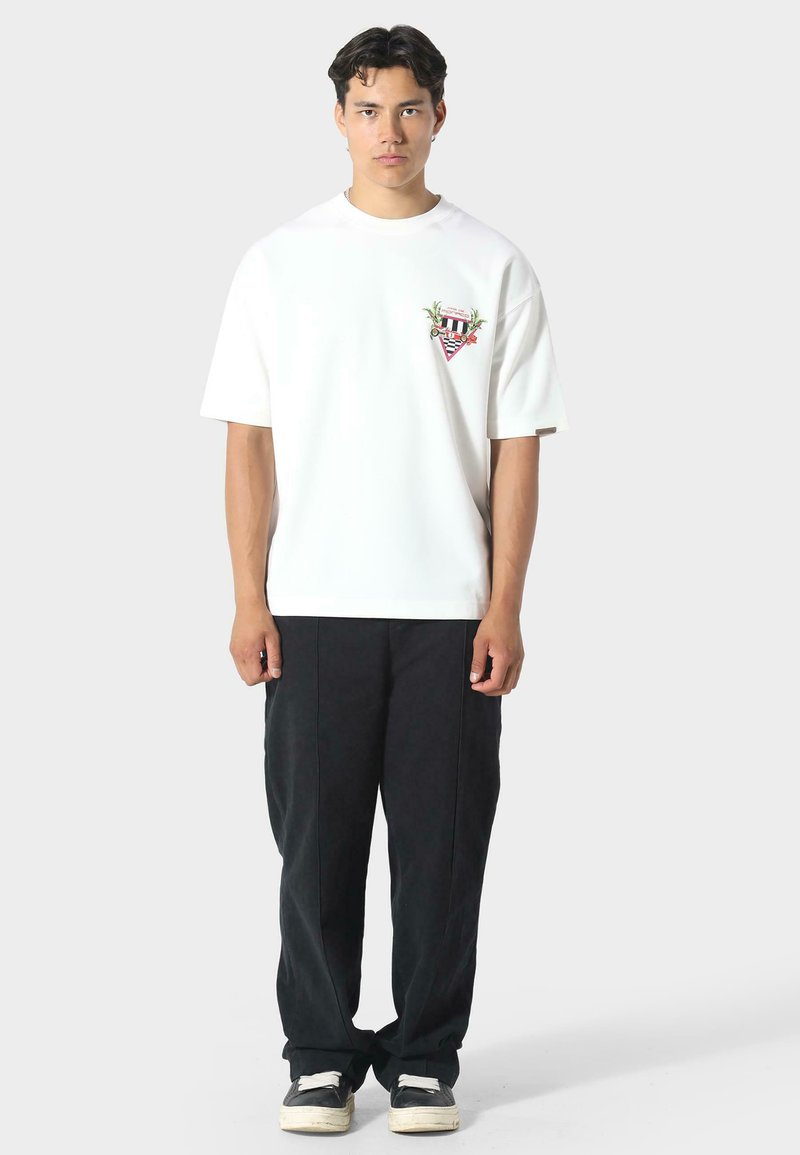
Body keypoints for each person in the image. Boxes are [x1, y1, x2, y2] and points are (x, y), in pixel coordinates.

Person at [199, 23, 569, 1136]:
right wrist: (249, 597)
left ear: (439, 115)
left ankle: (423, 1059)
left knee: (441, 850)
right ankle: (319, 1057)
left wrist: (504, 604)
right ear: (338, 119)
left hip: (447, 611)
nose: (388, 130)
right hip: (314, 605)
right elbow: (249, 443)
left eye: (408, 108)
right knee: (315, 848)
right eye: (367, 109)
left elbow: (516, 449)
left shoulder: (490, 265)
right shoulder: (279, 263)